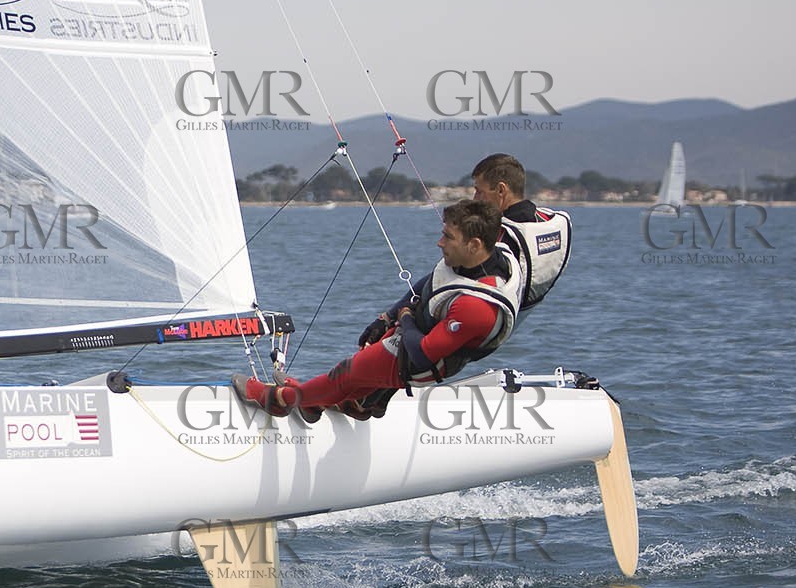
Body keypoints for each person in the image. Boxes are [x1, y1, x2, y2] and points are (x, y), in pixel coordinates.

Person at [236, 199, 525, 420]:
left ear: (474, 244)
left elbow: (423, 355)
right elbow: (434, 281)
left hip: (419, 361)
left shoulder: (476, 307)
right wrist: (388, 316)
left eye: (448, 237)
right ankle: (336, 402)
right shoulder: (481, 258)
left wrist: (406, 319)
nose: (440, 242)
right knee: (360, 367)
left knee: (345, 373)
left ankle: (282, 399)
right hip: (415, 333)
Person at [469, 153, 571, 314]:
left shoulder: (505, 237)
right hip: (528, 304)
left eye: (479, 191)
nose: (474, 199)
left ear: (501, 190)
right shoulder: (544, 221)